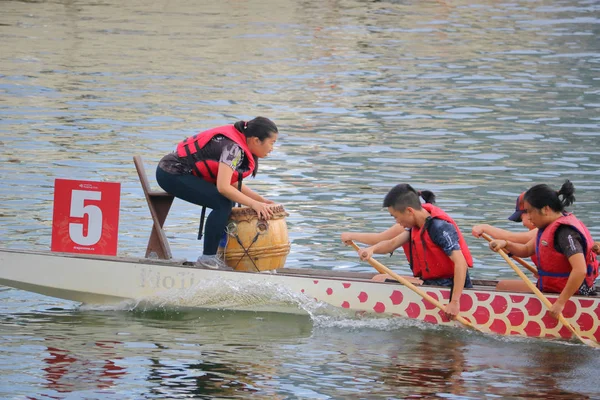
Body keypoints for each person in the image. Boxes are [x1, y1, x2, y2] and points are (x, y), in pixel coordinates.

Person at [156, 117, 279, 269]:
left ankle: (216, 256)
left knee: (226, 201)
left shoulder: (237, 145)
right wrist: (254, 204)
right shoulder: (234, 149)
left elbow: (230, 182)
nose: (272, 148)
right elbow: (223, 187)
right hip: (170, 173)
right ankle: (208, 259)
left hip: (180, 173)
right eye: (272, 143)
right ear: (255, 140)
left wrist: (261, 200)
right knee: (223, 202)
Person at [351, 184, 474, 319]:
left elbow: (460, 263)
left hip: (448, 286)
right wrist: (371, 250)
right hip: (433, 282)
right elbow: (391, 244)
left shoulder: (440, 228)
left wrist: (455, 302)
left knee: (380, 280)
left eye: (396, 217)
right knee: (378, 279)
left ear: (409, 211)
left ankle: (363, 317)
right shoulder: (416, 227)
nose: (397, 222)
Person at [489, 180, 598, 318]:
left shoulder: (564, 232)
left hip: (575, 294)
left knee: (502, 287)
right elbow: (526, 249)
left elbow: (580, 270)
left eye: (529, 212)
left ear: (546, 209)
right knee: (502, 285)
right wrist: (505, 244)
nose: (528, 217)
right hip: (556, 289)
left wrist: (560, 303)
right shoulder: (547, 226)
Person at [472, 192, 538, 270]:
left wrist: (485, 228)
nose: (523, 224)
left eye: (521, 218)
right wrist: (506, 245)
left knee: (502, 283)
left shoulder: (545, 229)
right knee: (502, 283)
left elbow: (513, 238)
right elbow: (524, 249)